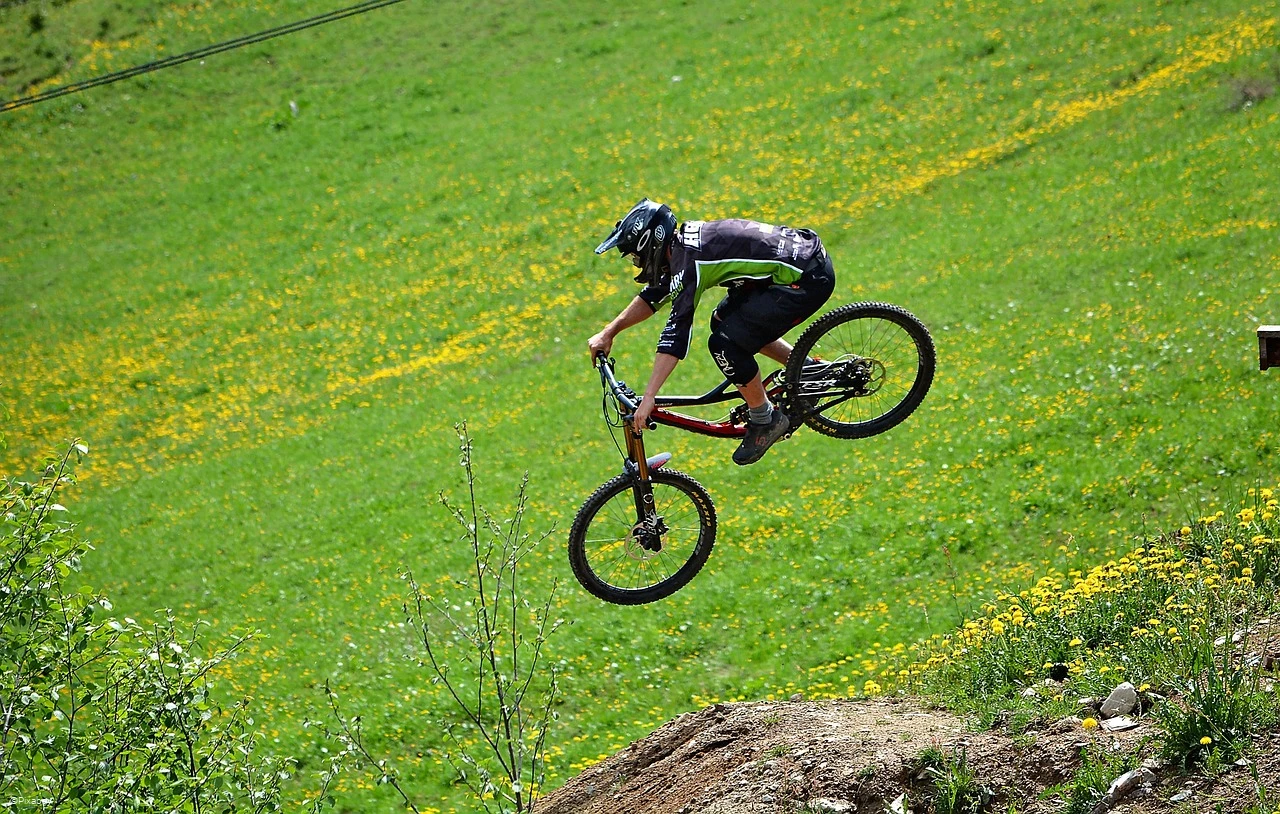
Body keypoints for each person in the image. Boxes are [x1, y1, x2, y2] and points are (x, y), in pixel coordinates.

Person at [588, 198, 835, 465]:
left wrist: (649, 397)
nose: (637, 264)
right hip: (802, 261)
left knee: (724, 344)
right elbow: (655, 295)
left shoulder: (688, 263)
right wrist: (609, 332)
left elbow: (676, 334)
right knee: (723, 321)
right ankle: (809, 371)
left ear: (652, 243)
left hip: (805, 279)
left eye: (637, 256)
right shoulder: (683, 248)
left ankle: (765, 419)